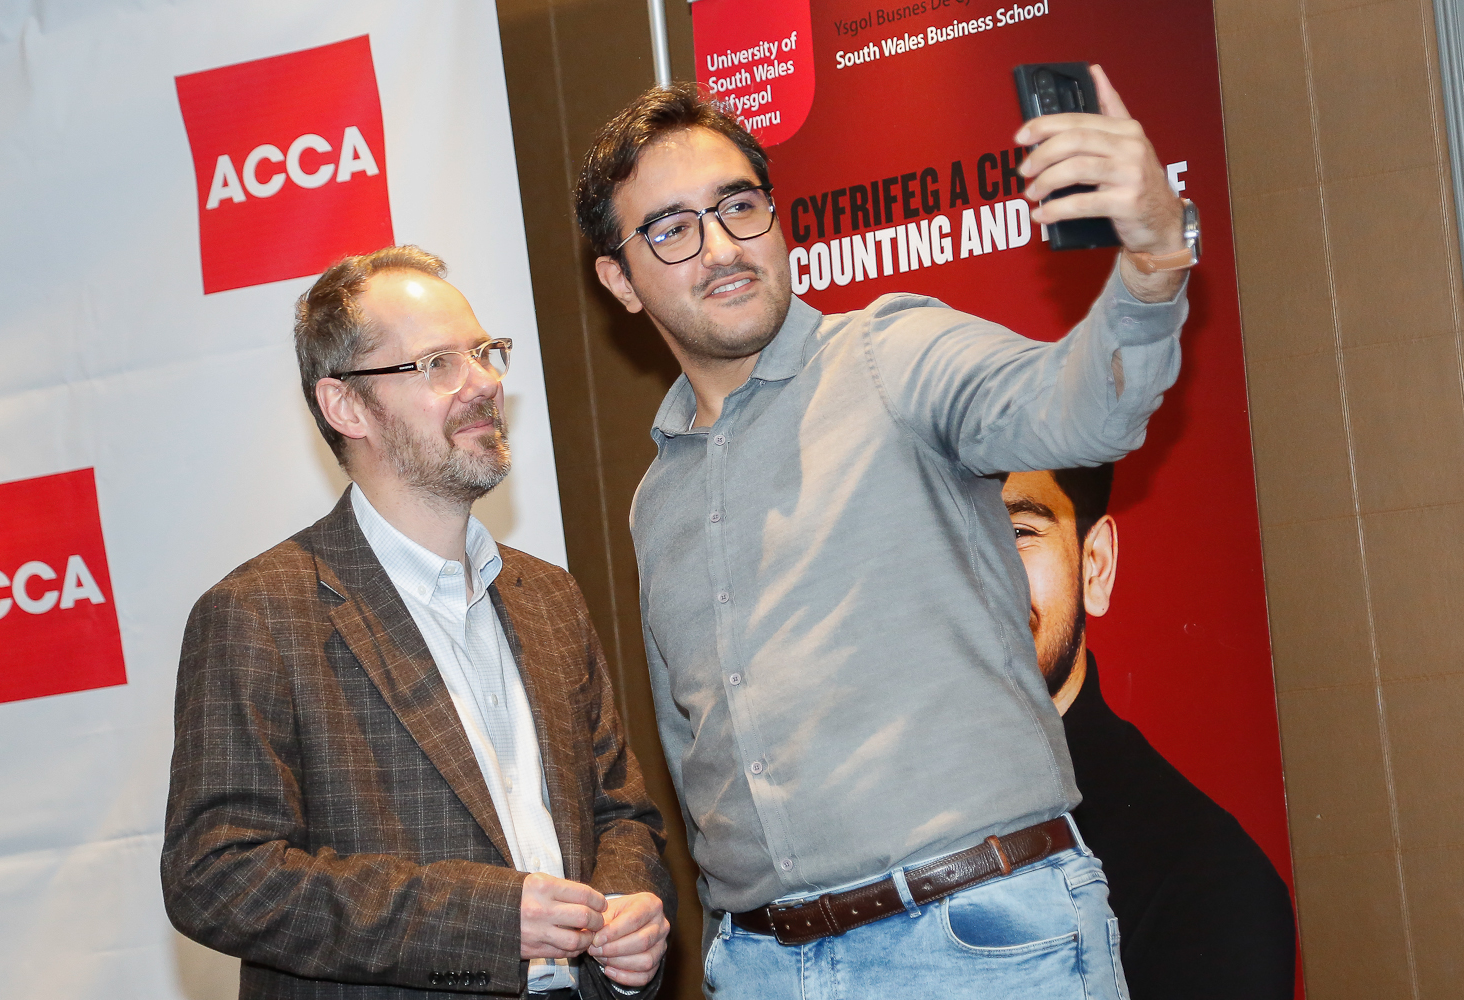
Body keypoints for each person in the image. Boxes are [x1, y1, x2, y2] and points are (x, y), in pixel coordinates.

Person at [576, 70, 1195, 999]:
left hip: (976, 947)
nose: (722, 246)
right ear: (620, 280)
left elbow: (1084, 410)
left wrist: (1153, 258)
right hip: (763, 967)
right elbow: (693, 748)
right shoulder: (656, 499)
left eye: (738, 205)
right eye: (671, 228)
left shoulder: (890, 354)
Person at [162, 246, 674, 1000]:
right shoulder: (259, 613)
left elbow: (620, 811)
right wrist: (488, 923)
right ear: (345, 406)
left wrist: (627, 911)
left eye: (485, 352)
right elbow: (218, 875)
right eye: (438, 364)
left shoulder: (549, 595)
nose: (485, 383)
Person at [1002, 465, 1297, 1000]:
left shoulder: (1207, 884)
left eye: (1019, 531)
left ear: (1096, 565)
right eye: (940, 537)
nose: (974, 574)